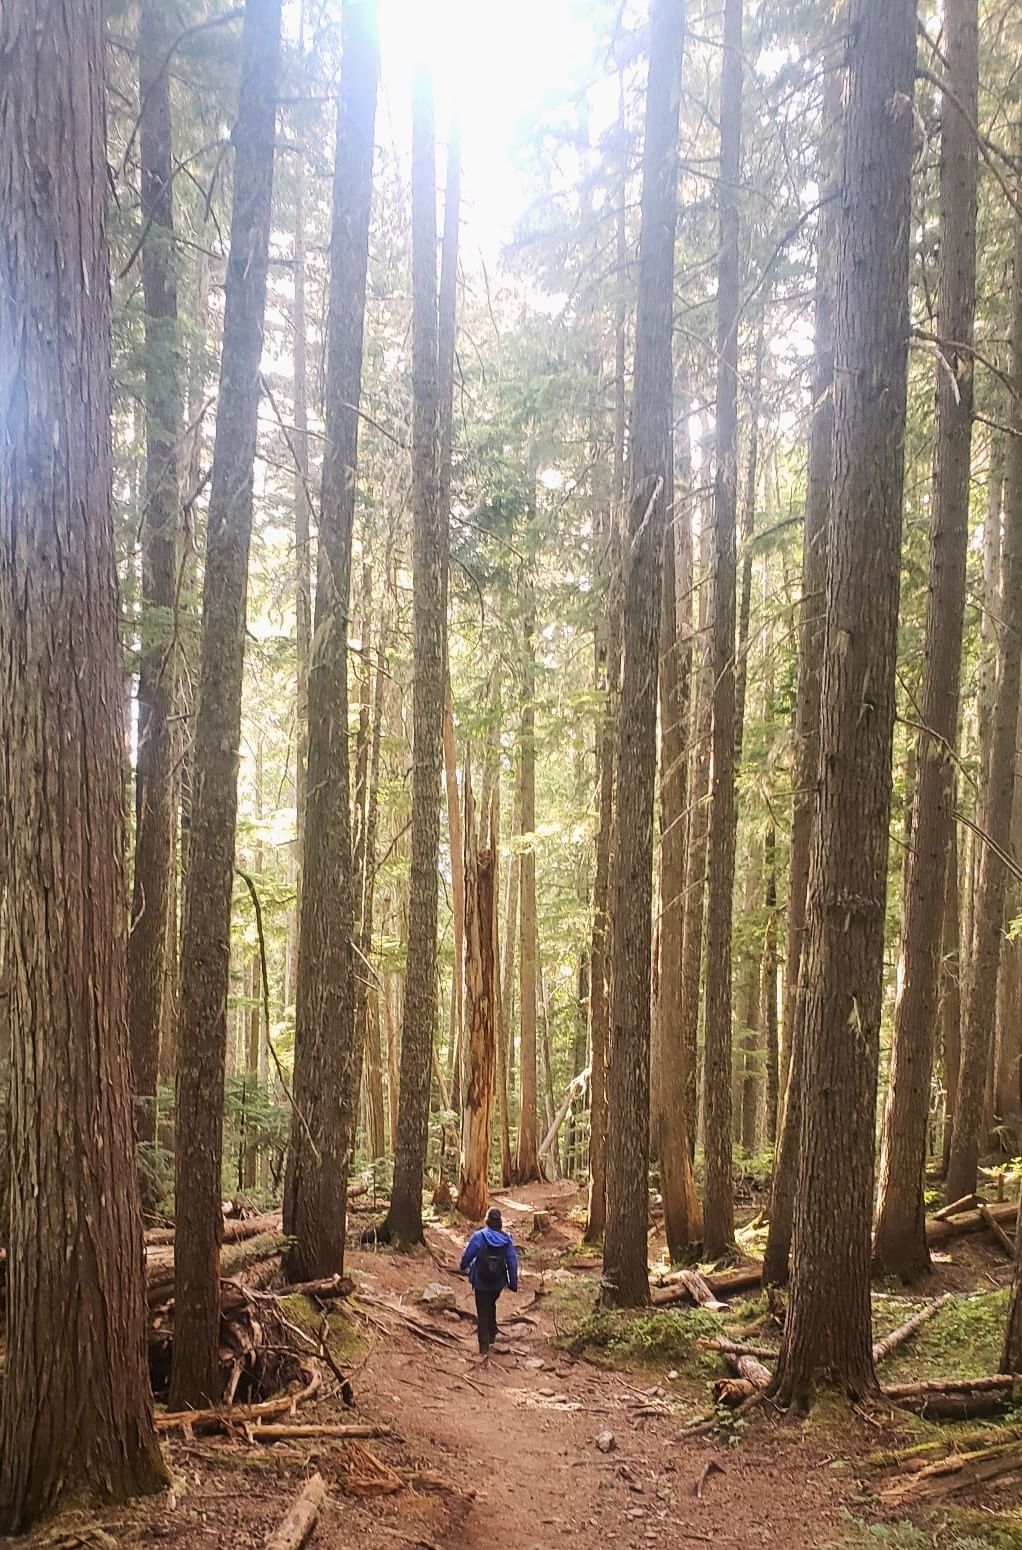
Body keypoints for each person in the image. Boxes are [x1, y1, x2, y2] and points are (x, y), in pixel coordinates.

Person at [460, 1206, 519, 1355]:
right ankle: (492, 1334)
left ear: (487, 1220)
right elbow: (512, 1262)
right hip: (497, 1282)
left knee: (482, 1310)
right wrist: (513, 1283)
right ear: (500, 1222)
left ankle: (484, 1346)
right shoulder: (506, 1240)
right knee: (491, 1303)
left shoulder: (479, 1236)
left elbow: (468, 1254)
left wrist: (463, 1266)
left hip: (480, 1280)